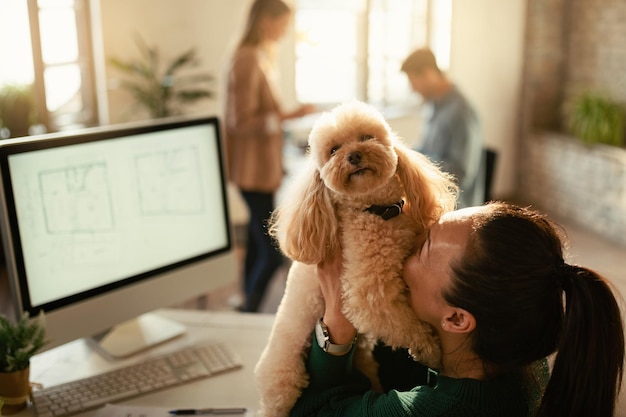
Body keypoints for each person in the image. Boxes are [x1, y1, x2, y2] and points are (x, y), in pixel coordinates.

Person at [290, 201, 625, 417]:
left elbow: (307, 412)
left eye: (423, 249)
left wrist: (336, 323)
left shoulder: (433, 411)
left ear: (456, 318)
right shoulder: (522, 357)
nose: (408, 247)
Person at [224, 0, 314, 312]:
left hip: (261, 169)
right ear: (266, 20)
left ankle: (246, 302)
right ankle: (251, 307)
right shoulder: (247, 59)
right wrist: (286, 118)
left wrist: (287, 116)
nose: (285, 31)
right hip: (251, 170)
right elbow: (240, 120)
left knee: (255, 238)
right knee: (272, 247)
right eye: (282, 24)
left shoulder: (259, 57)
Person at [401, 48, 485, 208]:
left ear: (428, 73)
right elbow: (425, 149)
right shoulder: (433, 105)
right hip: (433, 193)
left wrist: (418, 164)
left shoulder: (462, 111)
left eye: (413, 81)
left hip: (455, 205)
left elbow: (461, 173)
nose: (412, 89)